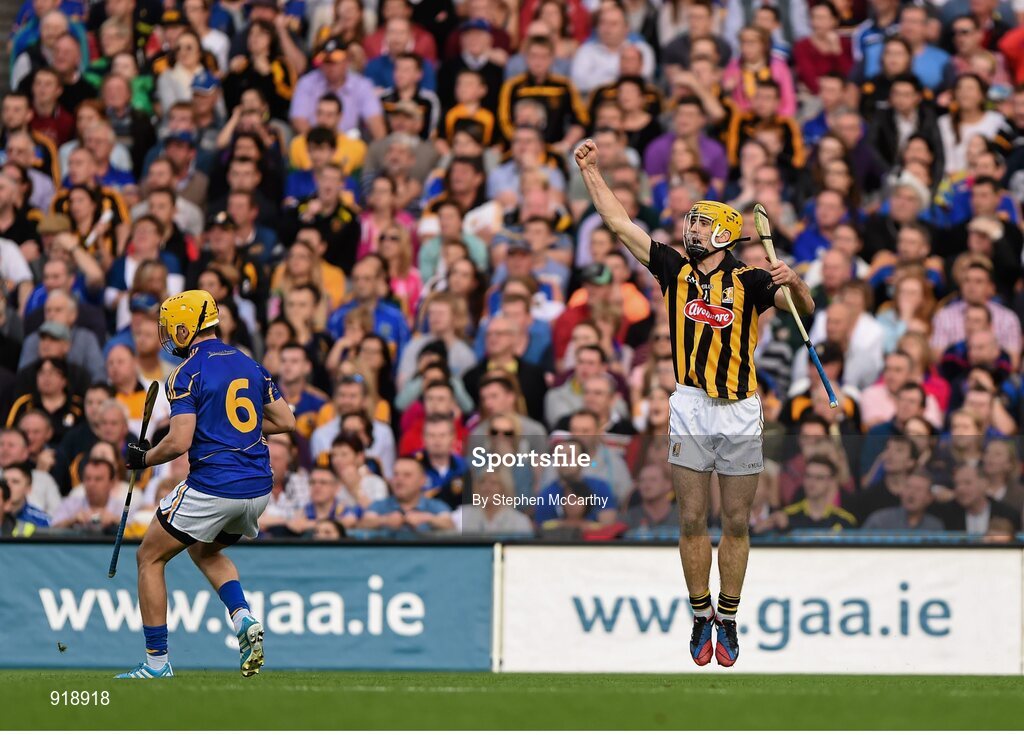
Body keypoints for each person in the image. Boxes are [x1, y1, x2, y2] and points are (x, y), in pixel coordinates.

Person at [576, 137, 811, 667]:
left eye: (703, 224)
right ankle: (700, 613)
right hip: (689, 404)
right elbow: (619, 224)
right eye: (693, 222)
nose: (693, 229)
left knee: (735, 521)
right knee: (690, 519)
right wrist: (592, 171)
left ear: (726, 232)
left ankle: (728, 618)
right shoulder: (672, 269)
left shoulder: (750, 280)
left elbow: (803, 310)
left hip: (740, 409)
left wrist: (795, 281)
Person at [115, 290, 295, 679]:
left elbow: (179, 441)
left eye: (170, 328)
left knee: (149, 557)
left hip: (214, 487)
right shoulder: (250, 364)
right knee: (204, 549)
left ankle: (157, 664)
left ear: (185, 327)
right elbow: (286, 421)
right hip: (258, 490)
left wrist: (143, 459)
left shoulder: (185, 373)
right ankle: (242, 615)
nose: (168, 335)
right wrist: (228, 429)